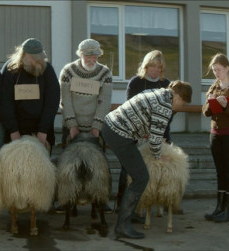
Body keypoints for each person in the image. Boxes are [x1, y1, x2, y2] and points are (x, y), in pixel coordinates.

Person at [102, 80, 192, 239]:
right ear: (177, 96)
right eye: (183, 103)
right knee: (141, 177)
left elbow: (142, 117)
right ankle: (122, 226)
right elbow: (156, 140)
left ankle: (131, 215)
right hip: (119, 134)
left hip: (111, 125)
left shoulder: (157, 93)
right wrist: (159, 156)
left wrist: (149, 135)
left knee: (136, 174)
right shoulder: (165, 106)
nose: (181, 107)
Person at [116, 50, 172, 212]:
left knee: (164, 166)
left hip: (158, 133)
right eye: (152, 66)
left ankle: (164, 202)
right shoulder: (135, 83)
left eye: (159, 67)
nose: (155, 70)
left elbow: (168, 113)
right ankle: (122, 204)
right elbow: (129, 109)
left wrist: (163, 137)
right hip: (135, 133)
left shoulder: (166, 84)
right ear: (146, 66)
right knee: (127, 169)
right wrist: (143, 131)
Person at [202, 53, 229, 223]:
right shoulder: (213, 87)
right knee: (220, 172)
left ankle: (228, 211)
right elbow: (206, 112)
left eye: (219, 70)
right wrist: (211, 102)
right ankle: (218, 208)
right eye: (214, 70)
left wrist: (225, 105)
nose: (216, 73)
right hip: (215, 135)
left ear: (227, 68)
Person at [0, 38, 60, 148]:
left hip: (41, 130)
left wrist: (43, 130)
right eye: (35, 58)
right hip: (16, 129)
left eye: (40, 57)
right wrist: (13, 130)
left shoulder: (47, 69)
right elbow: (5, 102)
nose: (39, 61)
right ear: (25, 55)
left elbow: (52, 101)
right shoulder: (10, 70)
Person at [60, 38, 112, 141]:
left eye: (95, 57)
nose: (92, 60)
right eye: (88, 56)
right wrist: (72, 125)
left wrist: (96, 127)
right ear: (80, 54)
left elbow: (105, 101)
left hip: (95, 128)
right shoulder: (68, 71)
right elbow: (65, 100)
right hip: (72, 127)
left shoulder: (105, 73)